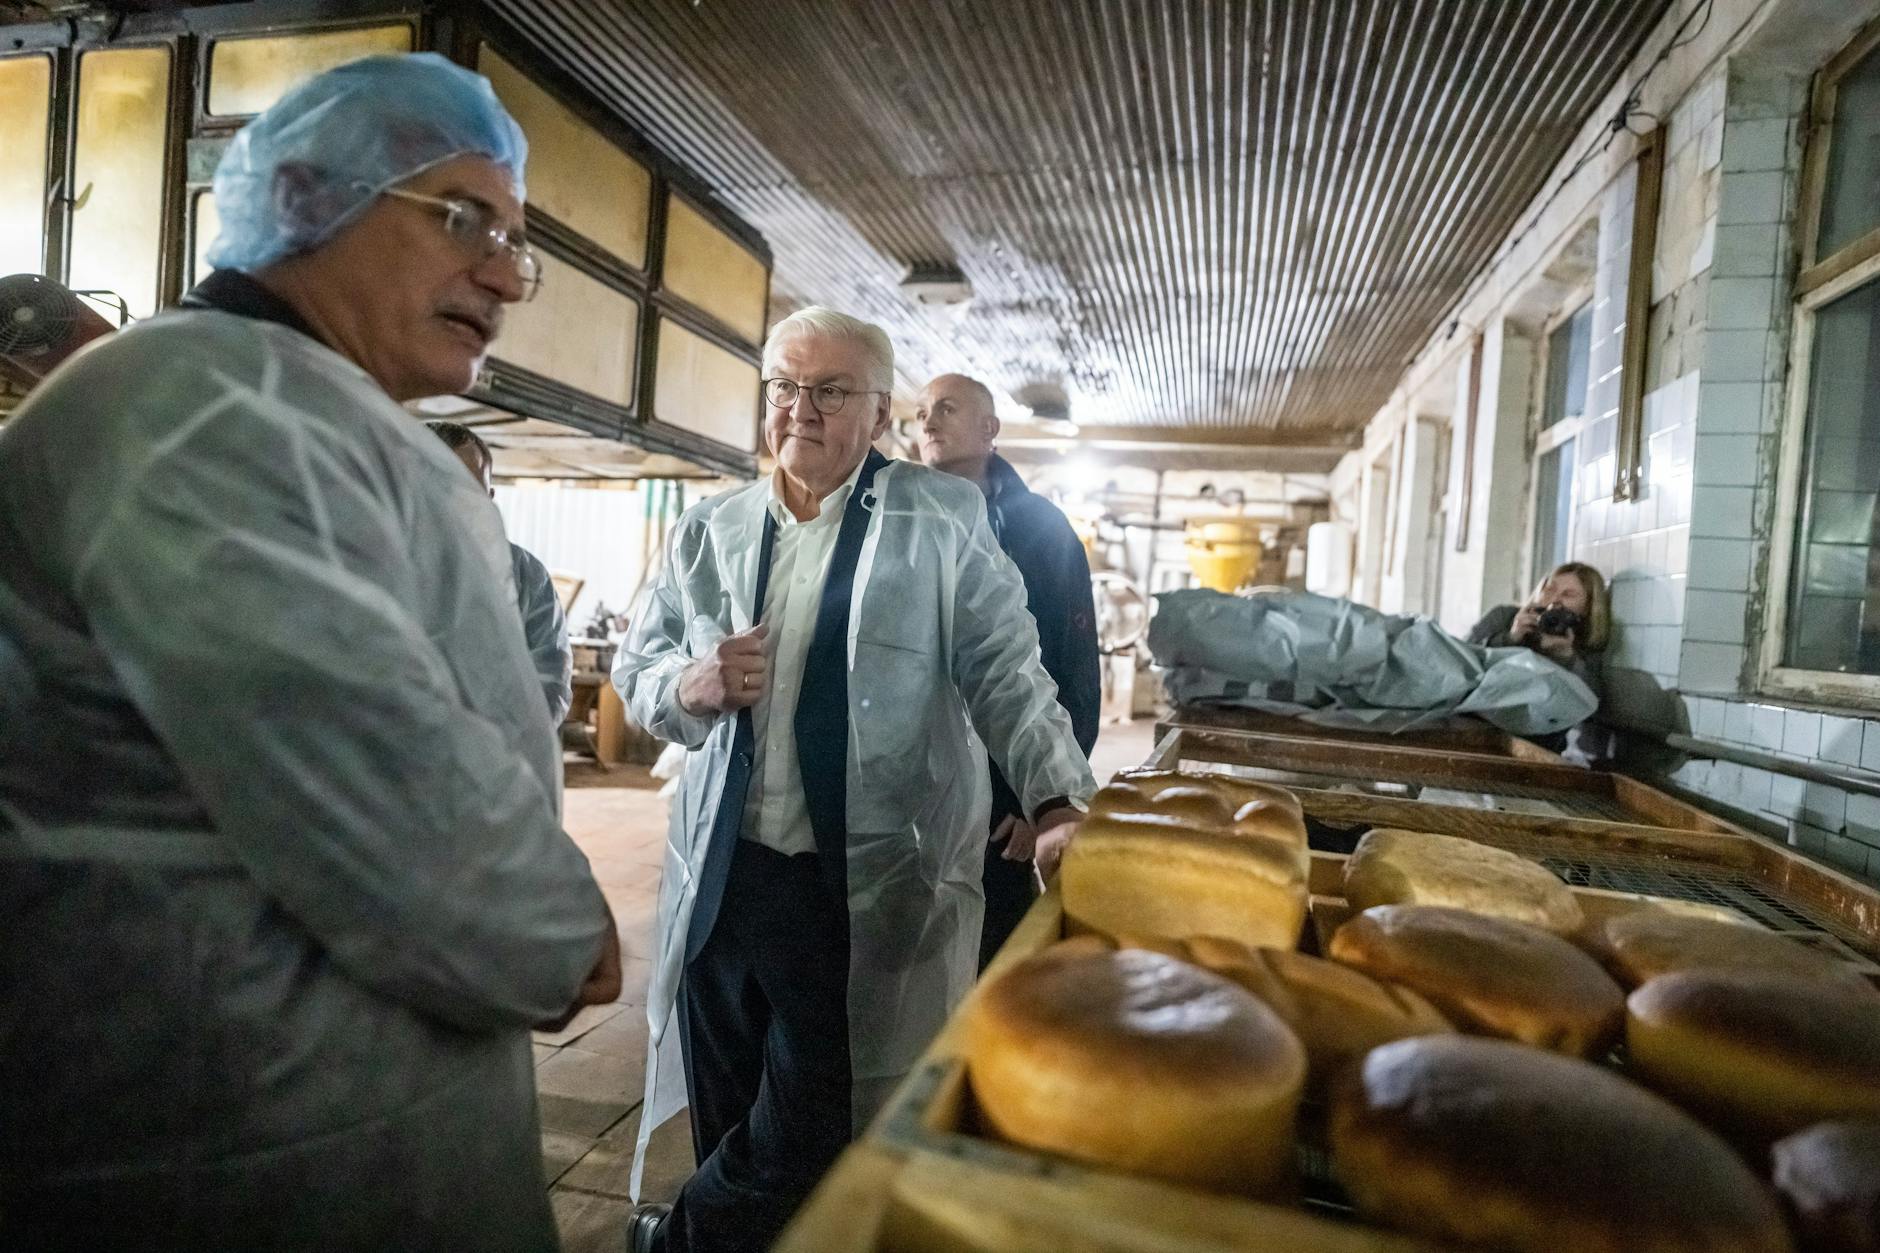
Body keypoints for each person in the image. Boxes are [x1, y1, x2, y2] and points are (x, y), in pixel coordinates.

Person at [0, 54, 618, 1252]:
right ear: (302, 195)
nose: (504, 275)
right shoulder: (203, 412)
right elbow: (380, 785)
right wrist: (554, 927)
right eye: (462, 219)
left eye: (515, 242)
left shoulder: (295, 405)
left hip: (347, 1108)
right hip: (241, 1130)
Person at [615, 308, 1096, 1253]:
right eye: (785, 387)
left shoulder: (940, 517)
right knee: (726, 1105)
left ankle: (671, 1244)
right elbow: (642, 666)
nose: (801, 409)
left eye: (830, 391)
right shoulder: (713, 527)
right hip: (723, 883)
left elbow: (1006, 667)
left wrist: (1053, 798)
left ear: (878, 414)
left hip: (857, 885)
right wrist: (688, 684)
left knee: (810, 1126)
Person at [913, 372, 1099, 968]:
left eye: (946, 408)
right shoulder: (899, 518)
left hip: (1003, 796)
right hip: (912, 785)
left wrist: (1039, 798)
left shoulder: (1042, 529)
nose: (928, 421)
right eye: (921, 411)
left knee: (994, 952)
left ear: (990, 428)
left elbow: (1073, 668)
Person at [428, 420, 574, 725]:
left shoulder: (526, 576)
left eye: (471, 493)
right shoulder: (374, 561)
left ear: (490, 497)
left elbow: (549, 687)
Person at [1468, 561, 1612, 755]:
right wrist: (1510, 638)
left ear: (1587, 608)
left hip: (1537, 743)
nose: (1555, 600)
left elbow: (1590, 704)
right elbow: (1461, 661)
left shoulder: (1585, 644)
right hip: (1474, 727)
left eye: (1568, 595)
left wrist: (1566, 658)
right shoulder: (1505, 617)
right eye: (1549, 589)